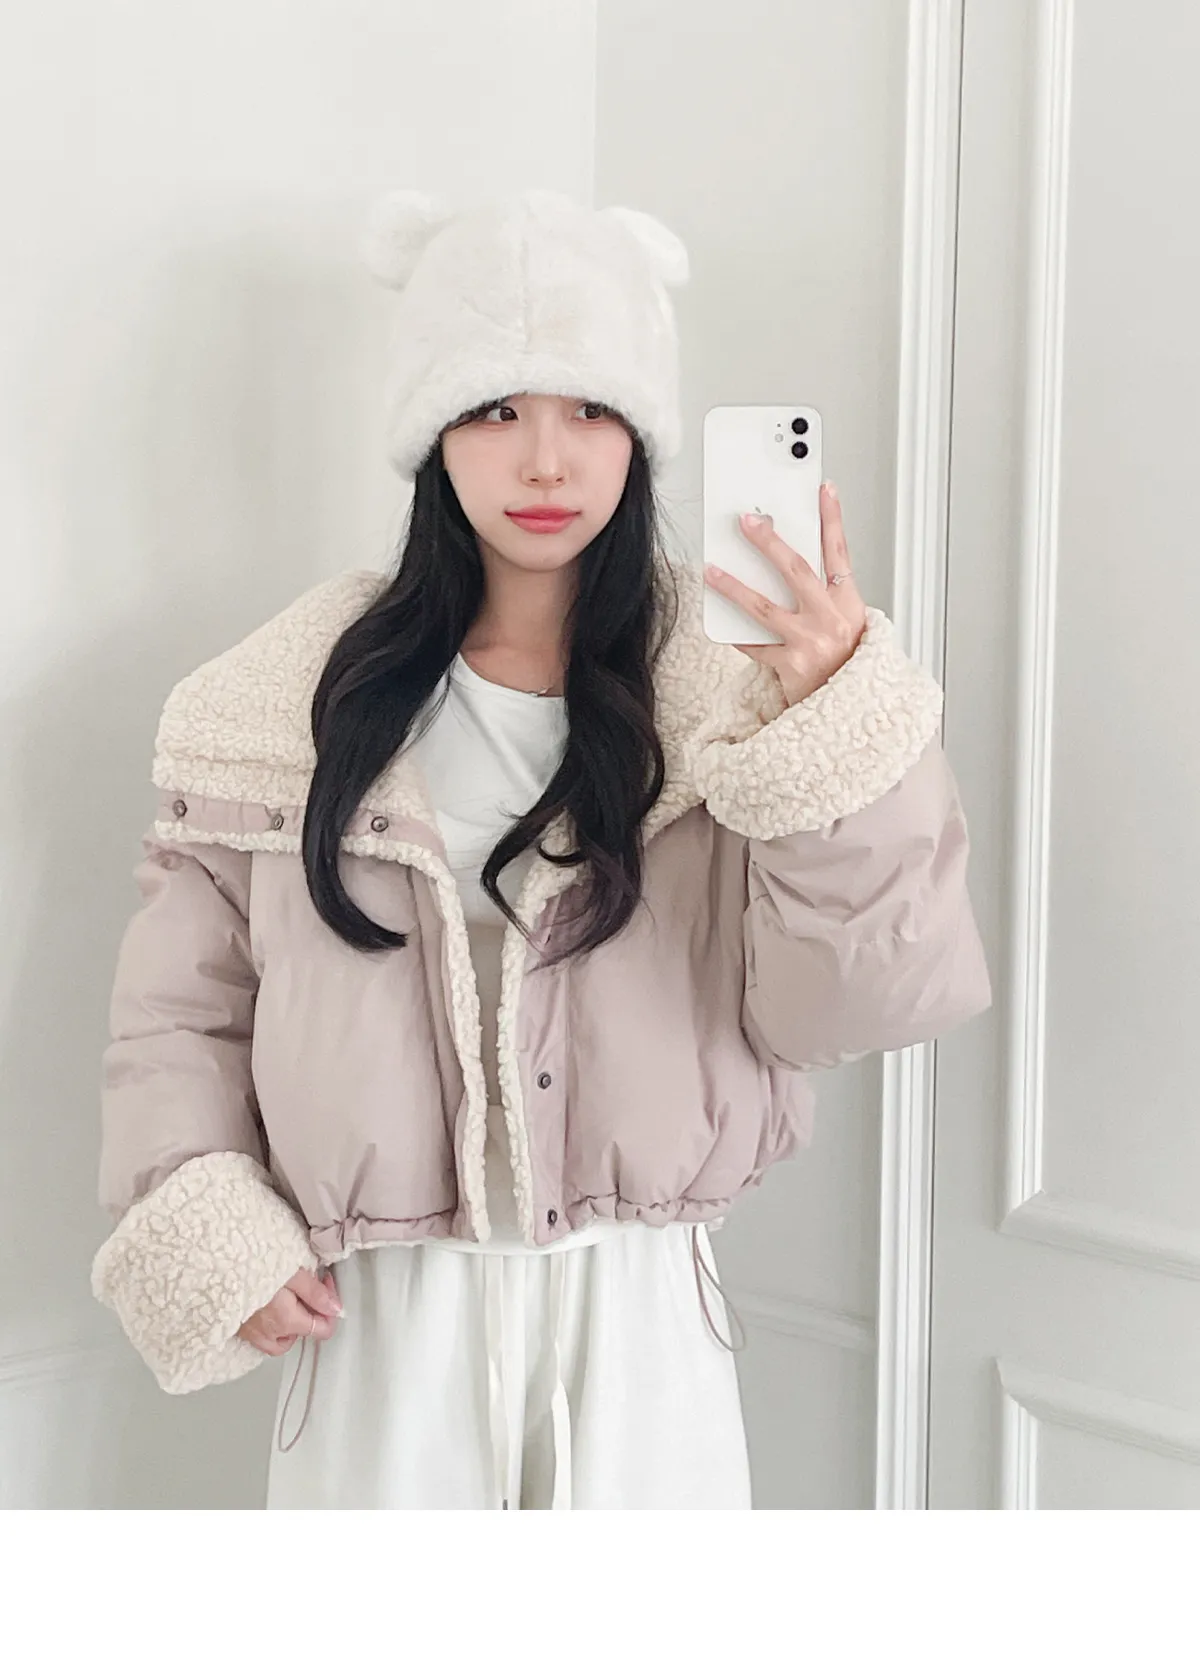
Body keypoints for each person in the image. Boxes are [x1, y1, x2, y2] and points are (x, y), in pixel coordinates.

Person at [89, 187, 992, 1510]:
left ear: (641, 436)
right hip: (381, 1314)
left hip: (642, 1309)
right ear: (433, 436)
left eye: (588, 410)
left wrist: (832, 725)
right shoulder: (279, 707)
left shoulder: (727, 698)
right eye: (497, 410)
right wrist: (208, 1214)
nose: (547, 462)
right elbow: (180, 1009)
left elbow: (852, 1006)